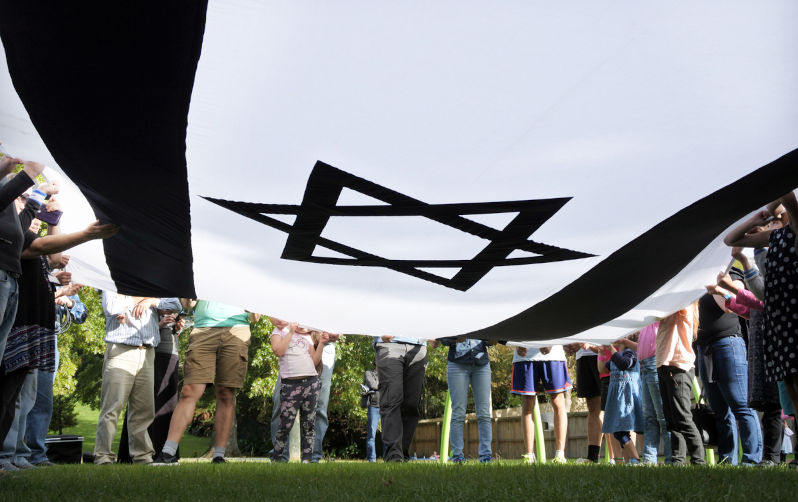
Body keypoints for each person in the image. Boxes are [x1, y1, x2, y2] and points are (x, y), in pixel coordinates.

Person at [153, 300, 259, 465]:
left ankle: (219, 455)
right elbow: (188, 304)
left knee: (226, 393)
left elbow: (255, 317)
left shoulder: (249, 274)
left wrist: (252, 308)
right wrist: (187, 299)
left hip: (237, 330)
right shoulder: (204, 272)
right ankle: (168, 452)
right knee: (189, 390)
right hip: (203, 330)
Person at [724, 193, 798, 425]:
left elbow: (790, 200)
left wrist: (775, 202)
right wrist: (756, 219)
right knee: (790, 384)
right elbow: (731, 240)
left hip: (794, 316)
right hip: (778, 318)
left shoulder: (796, 231)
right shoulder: (774, 237)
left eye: (777, 219)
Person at [93, 293, 179, 465]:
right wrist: (140, 298)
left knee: (144, 409)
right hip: (121, 350)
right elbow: (111, 307)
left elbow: (176, 304)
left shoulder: (151, 283)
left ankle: (143, 457)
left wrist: (152, 301)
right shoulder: (113, 281)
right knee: (112, 407)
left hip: (147, 351)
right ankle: (103, 457)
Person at [695, 264, 763, 466]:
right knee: (720, 409)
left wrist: (717, 283)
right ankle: (727, 460)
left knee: (740, 405)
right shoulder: (695, 279)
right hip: (705, 348)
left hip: (728, 344)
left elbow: (730, 303)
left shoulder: (730, 272)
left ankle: (751, 459)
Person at [117, 303, 184, 462]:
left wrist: (178, 326)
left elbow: (177, 308)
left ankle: (165, 452)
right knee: (142, 402)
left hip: (169, 348)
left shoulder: (171, 294)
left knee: (167, 404)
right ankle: (134, 454)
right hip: (146, 347)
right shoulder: (144, 294)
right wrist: (159, 324)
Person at [269, 329, 339, 463]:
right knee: (282, 410)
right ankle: (279, 457)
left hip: (323, 343)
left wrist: (330, 336)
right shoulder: (283, 332)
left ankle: (311, 458)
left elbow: (339, 325)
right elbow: (275, 318)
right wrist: (288, 330)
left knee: (317, 411)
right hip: (292, 343)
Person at [656, 304, 706, 465]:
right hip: (664, 365)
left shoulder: (683, 305)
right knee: (672, 419)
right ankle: (678, 460)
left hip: (678, 366)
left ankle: (699, 460)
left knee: (682, 417)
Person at [511, 344, 571, 464]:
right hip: (525, 356)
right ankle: (529, 455)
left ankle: (560, 455)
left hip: (554, 355)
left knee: (558, 401)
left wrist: (551, 341)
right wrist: (516, 342)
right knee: (527, 404)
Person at [373, 335, 428, 462]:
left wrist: (434, 335)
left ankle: (402, 452)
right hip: (389, 343)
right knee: (391, 399)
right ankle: (394, 454)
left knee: (411, 404)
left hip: (418, 346)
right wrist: (380, 330)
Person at [438, 337, 493, 463]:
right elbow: (444, 339)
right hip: (457, 364)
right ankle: (457, 456)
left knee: (484, 413)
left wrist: (492, 340)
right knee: (458, 413)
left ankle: (486, 456)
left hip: (481, 364)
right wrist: (456, 339)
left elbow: (490, 341)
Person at [599, 340, 643, 464]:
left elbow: (624, 364)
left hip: (628, 398)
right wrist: (601, 354)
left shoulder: (630, 353)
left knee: (621, 431)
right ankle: (632, 460)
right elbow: (602, 369)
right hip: (617, 400)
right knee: (618, 430)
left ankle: (636, 459)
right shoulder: (615, 356)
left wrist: (612, 349)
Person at [635, 321, 671, 464]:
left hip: (655, 362)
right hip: (644, 364)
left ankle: (671, 458)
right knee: (649, 416)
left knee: (662, 416)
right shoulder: (646, 321)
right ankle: (649, 459)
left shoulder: (659, 315)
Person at [565, 342, 603, 462]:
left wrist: (585, 343)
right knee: (592, 407)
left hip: (602, 352)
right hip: (583, 357)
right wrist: (568, 345)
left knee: (611, 405)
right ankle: (592, 458)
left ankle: (619, 457)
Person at [362, 362, 380, 462]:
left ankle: (388, 457)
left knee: (388, 435)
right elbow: (373, 385)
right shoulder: (368, 373)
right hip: (373, 406)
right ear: (375, 362)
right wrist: (384, 385)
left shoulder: (387, 373)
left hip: (386, 406)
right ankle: (372, 459)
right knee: (371, 435)